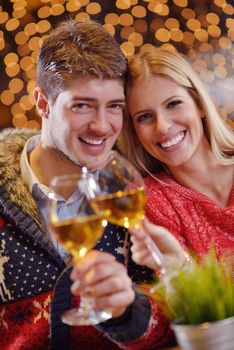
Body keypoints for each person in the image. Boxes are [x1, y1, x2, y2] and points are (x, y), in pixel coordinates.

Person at [0, 19, 156, 350]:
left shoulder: (130, 193)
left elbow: (171, 317)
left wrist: (127, 311)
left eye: (114, 106)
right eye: (82, 105)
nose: (102, 126)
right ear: (43, 103)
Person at [71, 47, 234, 349]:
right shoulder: (150, 202)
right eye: (145, 117)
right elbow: (181, 320)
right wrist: (177, 264)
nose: (163, 126)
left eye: (173, 104)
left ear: (198, 103)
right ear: (134, 131)